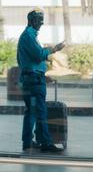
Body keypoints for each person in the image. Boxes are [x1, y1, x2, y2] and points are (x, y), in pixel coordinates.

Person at [17, 8, 65, 153]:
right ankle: (45, 142)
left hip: (33, 78)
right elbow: (38, 55)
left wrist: (42, 75)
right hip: (33, 81)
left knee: (31, 112)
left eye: (42, 19)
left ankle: (27, 142)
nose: (42, 22)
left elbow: (31, 62)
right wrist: (54, 49)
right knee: (40, 111)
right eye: (39, 19)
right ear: (31, 20)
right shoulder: (28, 36)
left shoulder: (29, 36)